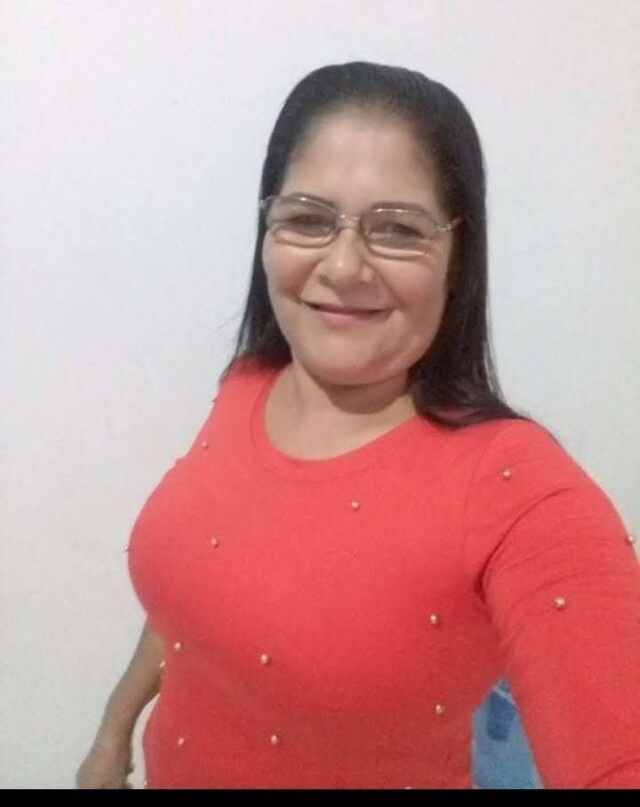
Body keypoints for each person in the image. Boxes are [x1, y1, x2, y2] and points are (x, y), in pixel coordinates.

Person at [76, 61, 640, 789]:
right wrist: (113, 731)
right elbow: (192, 595)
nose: (343, 266)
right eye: (308, 218)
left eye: (398, 229)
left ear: (458, 255)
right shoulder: (249, 384)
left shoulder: (518, 490)